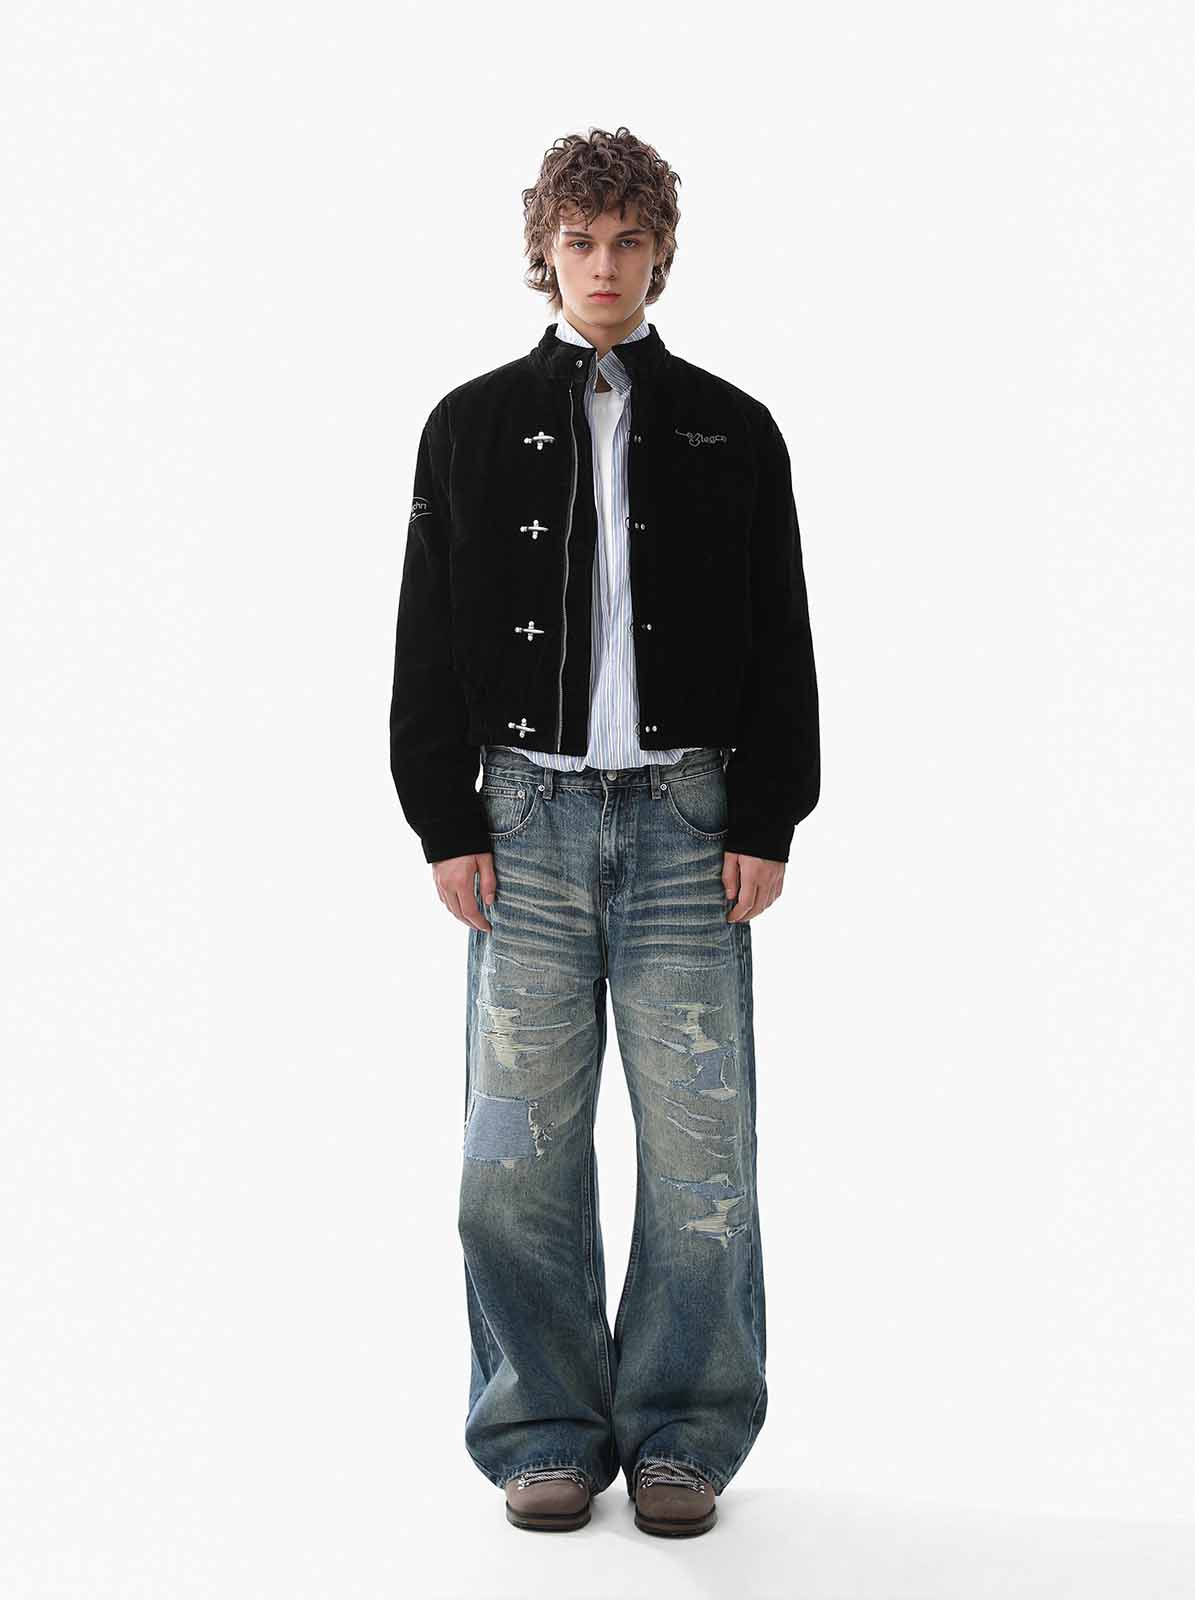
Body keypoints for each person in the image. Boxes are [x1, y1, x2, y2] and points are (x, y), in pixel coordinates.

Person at [389, 125, 819, 1537]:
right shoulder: (467, 425)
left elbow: (782, 635)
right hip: (525, 820)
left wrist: (769, 812)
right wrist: (445, 820)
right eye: (581, 241)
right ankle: (543, 1432)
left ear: (662, 252)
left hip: (692, 824)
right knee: (514, 1154)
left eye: (631, 241)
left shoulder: (732, 427)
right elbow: (426, 635)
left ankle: (685, 1433)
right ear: (546, 252)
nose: (606, 266)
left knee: (703, 1153)